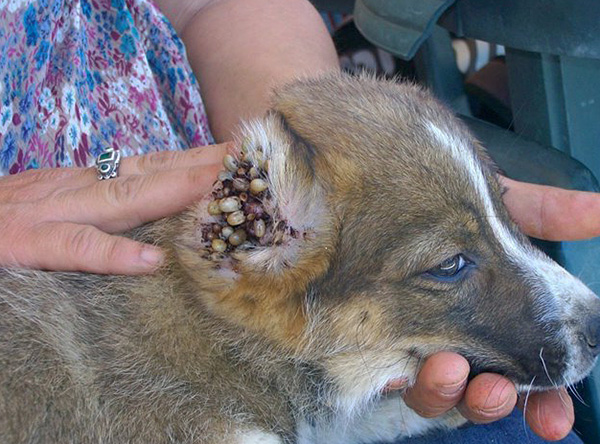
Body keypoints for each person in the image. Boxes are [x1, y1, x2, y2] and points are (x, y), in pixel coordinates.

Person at [0, 0, 597, 442]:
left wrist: (329, 141)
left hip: (182, 171)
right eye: (451, 264)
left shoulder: (271, 218)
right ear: (268, 255)